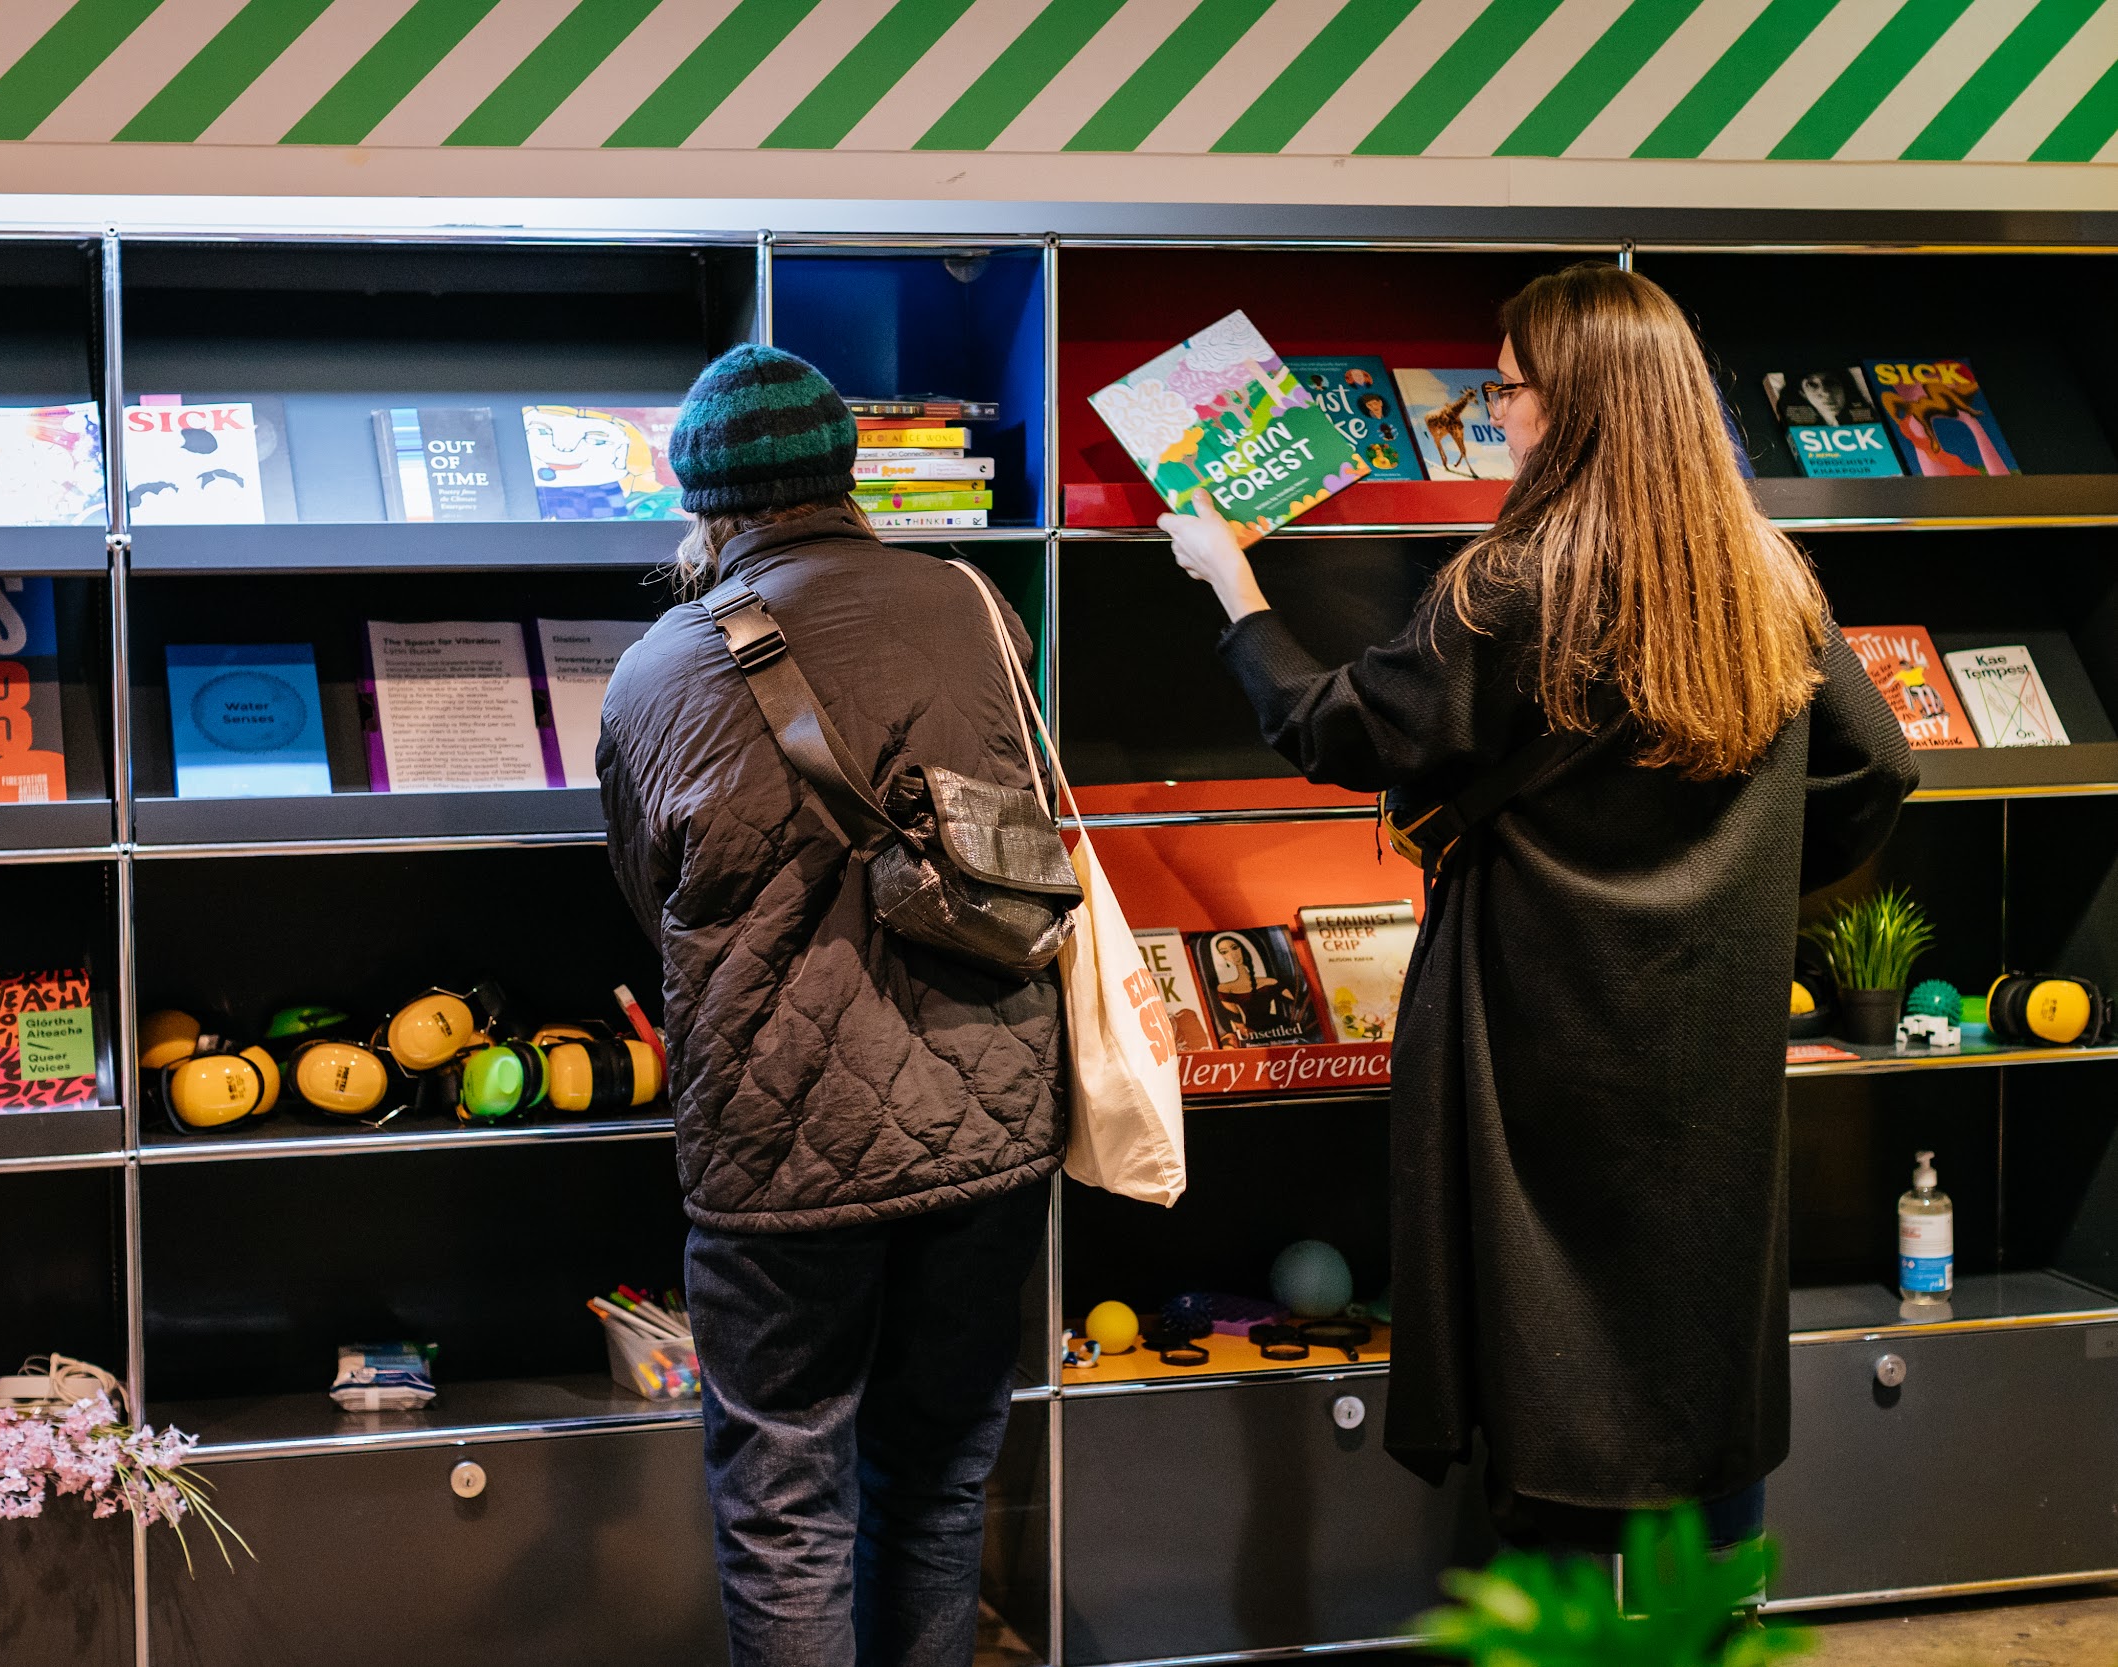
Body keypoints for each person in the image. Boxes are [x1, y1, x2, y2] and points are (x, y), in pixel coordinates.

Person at [1162, 262, 1916, 1552]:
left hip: (1533, 1023)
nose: (1493, 411)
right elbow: (1876, 768)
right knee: (1697, 1334)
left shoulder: (1517, 584)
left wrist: (1231, 583)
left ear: (1572, 407)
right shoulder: (1769, 581)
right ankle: (1698, 1623)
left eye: (1506, 387)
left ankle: (1565, 1613)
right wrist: (1728, 890)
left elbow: (1332, 724)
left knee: (1545, 1332)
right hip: (1710, 1038)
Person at [597, 343, 1064, 1666]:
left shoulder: (656, 672)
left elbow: (651, 893)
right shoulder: (975, 607)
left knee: (784, 1507)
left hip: (777, 1153)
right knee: (935, 1482)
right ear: (844, 475)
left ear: (709, 505)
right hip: (990, 1117)